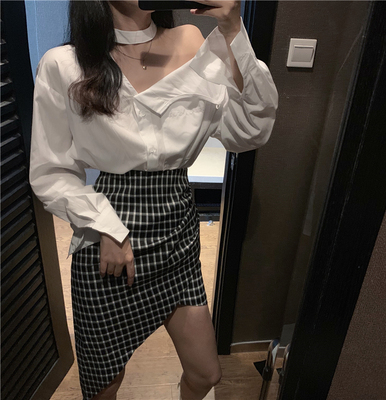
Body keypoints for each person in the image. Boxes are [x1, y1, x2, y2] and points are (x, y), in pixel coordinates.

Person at [29, 1, 278, 399]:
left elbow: (249, 130)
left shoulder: (192, 41)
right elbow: (51, 170)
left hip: (178, 231)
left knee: (206, 373)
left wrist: (233, 28)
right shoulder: (65, 64)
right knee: (104, 384)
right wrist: (105, 226)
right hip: (110, 241)